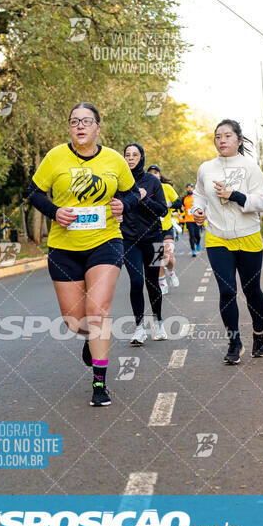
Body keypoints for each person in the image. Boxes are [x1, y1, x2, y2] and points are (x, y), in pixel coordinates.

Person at [28, 102, 140, 407]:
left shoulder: (114, 160)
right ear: (69, 127)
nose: (80, 126)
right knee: (74, 322)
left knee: (99, 310)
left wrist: (124, 205)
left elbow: (132, 191)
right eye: (74, 121)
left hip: (105, 242)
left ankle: (100, 384)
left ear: (97, 128)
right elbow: (34, 191)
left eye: (87, 121)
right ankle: (91, 340)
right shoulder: (55, 157)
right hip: (64, 247)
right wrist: (54, 211)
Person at [192, 119, 263, 364]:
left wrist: (234, 195)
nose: (221, 140)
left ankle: (258, 334)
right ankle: (234, 342)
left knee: (251, 290)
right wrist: (197, 210)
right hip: (217, 238)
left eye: (226, 136)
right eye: (217, 136)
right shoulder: (206, 168)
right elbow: (199, 194)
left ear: (238, 139)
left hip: (248, 237)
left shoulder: (250, 167)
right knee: (227, 290)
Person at [119, 145, 168, 345]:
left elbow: (163, 210)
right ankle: (139, 328)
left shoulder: (153, 182)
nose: (131, 159)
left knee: (153, 282)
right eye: (127, 155)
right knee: (137, 282)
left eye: (135, 155)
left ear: (142, 158)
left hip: (154, 238)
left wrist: (143, 198)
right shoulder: (119, 181)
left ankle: (158, 322)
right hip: (128, 239)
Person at [147, 165, 182, 295]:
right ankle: (162, 282)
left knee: (168, 258)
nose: (153, 174)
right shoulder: (145, 189)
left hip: (166, 228)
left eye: (155, 172)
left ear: (159, 175)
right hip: (153, 230)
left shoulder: (166, 188)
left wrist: (169, 204)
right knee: (157, 260)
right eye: (150, 173)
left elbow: (179, 203)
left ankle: (171, 272)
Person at [182, 183, 201, 256]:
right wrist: (181, 209)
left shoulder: (196, 197)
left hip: (196, 219)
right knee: (191, 235)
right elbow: (181, 207)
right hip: (188, 220)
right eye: (188, 188)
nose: (189, 189)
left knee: (197, 235)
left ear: (193, 189)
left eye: (190, 187)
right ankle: (193, 250)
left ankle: (198, 242)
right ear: (186, 189)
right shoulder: (184, 198)